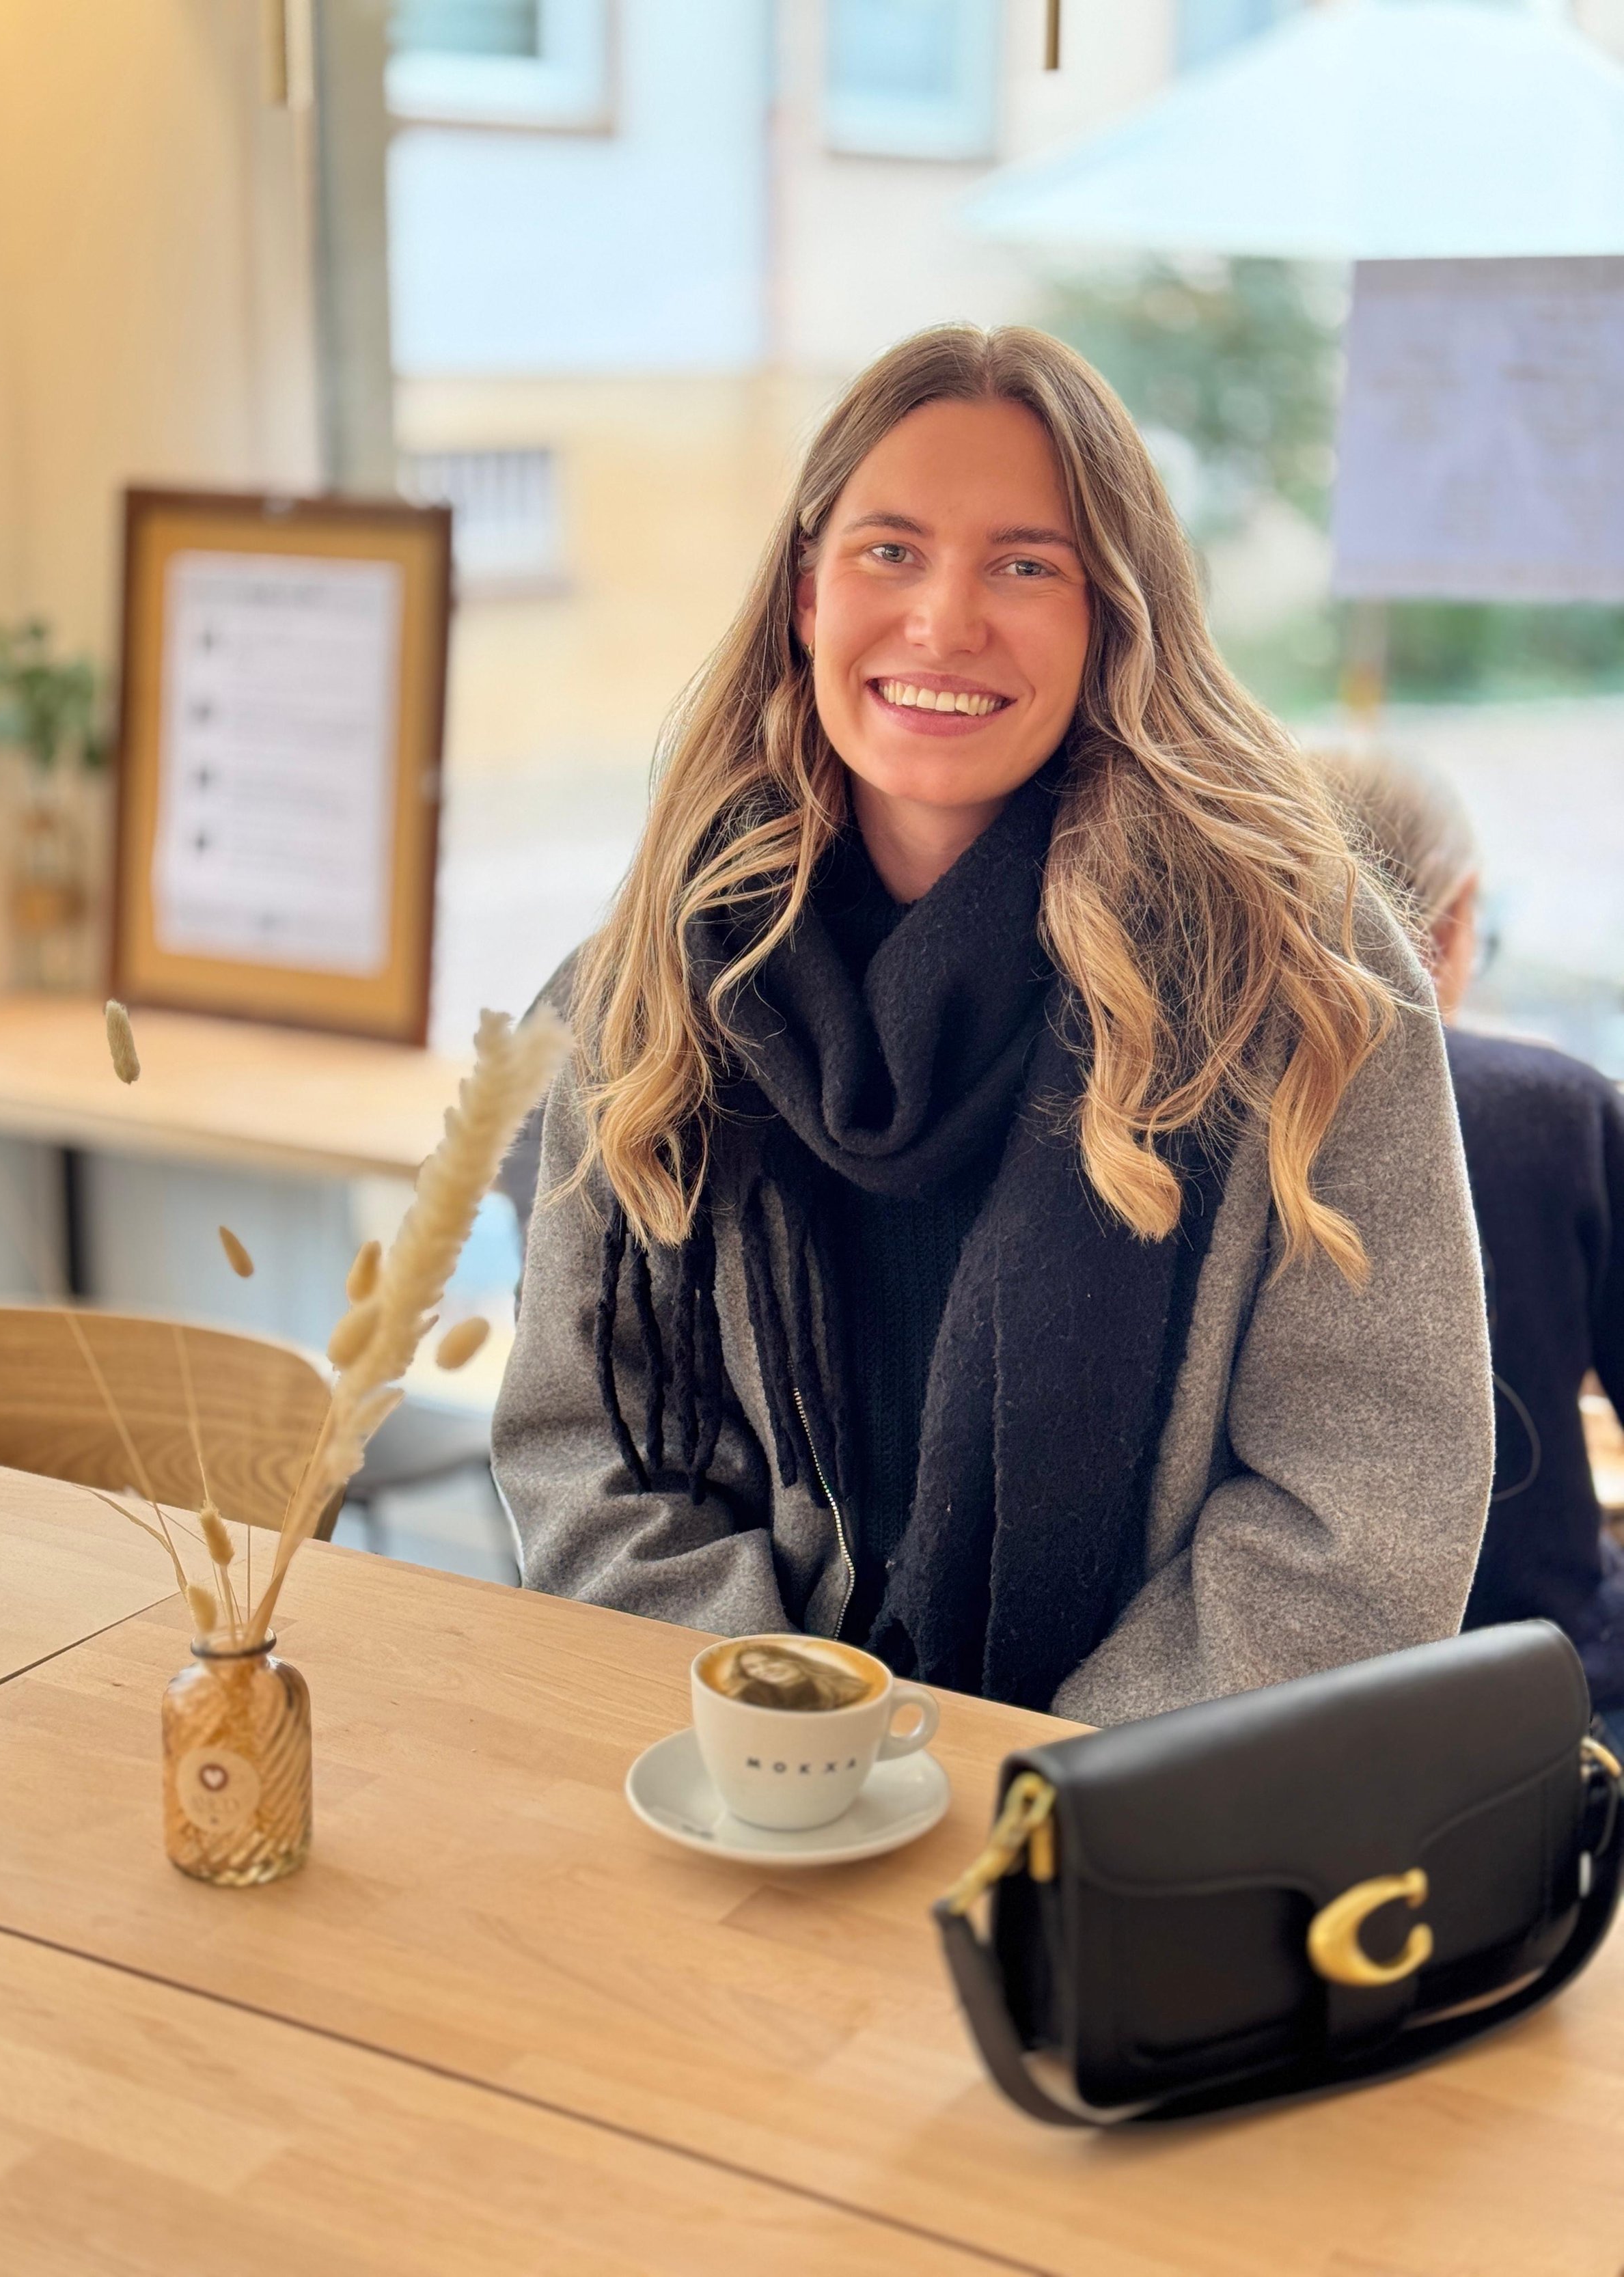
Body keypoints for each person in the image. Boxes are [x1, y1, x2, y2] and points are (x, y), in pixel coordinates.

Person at [493, 324, 1494, 1724]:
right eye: (887, 550)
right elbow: (581, 1443)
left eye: (1025, 564)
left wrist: (1037, 1790)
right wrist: (791, 1740)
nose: (943, 621)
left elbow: (1362, 1507)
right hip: (746, 1783)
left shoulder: (1297, 966)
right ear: (802, 589)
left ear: (1115, 611)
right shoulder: (662, 964)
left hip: (1136, 1830)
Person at [1327, 747, 1624, 1722]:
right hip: (1542, 1691)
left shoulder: (1175, 1116)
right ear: (1453, 925)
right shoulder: (1559, 1111)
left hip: (1277, 1710)